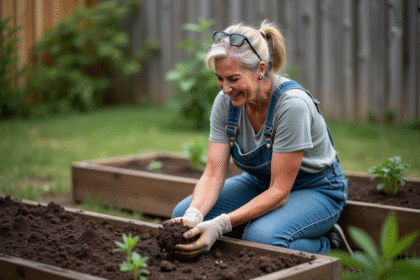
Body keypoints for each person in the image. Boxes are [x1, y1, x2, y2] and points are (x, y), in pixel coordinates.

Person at [167, 20, 352, 258]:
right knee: (182, 215)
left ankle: (328, 244)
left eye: (233, 79)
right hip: (260, 183)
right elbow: (213, 174)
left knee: (261, 238)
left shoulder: (292, 105)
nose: (225, 88)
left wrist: (222, 224)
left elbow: (279, 191)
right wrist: (194, 216)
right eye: (219, 78)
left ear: (261, 70)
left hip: (316, 189)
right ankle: (259, 224)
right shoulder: (225, 103)